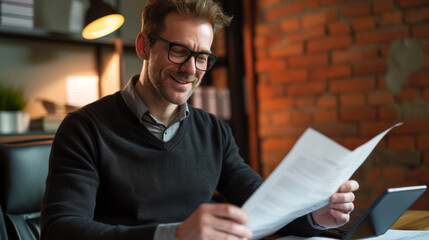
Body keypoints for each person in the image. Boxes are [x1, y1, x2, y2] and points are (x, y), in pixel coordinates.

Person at [40, 0, 359, 239]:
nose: (191, 69)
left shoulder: (214, 132)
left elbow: (265, 204)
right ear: (143, 46)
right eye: (178, 51)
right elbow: (61, 229)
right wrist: (173, 235)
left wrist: (316, 216)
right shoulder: (84, 129)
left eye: (202, 57)